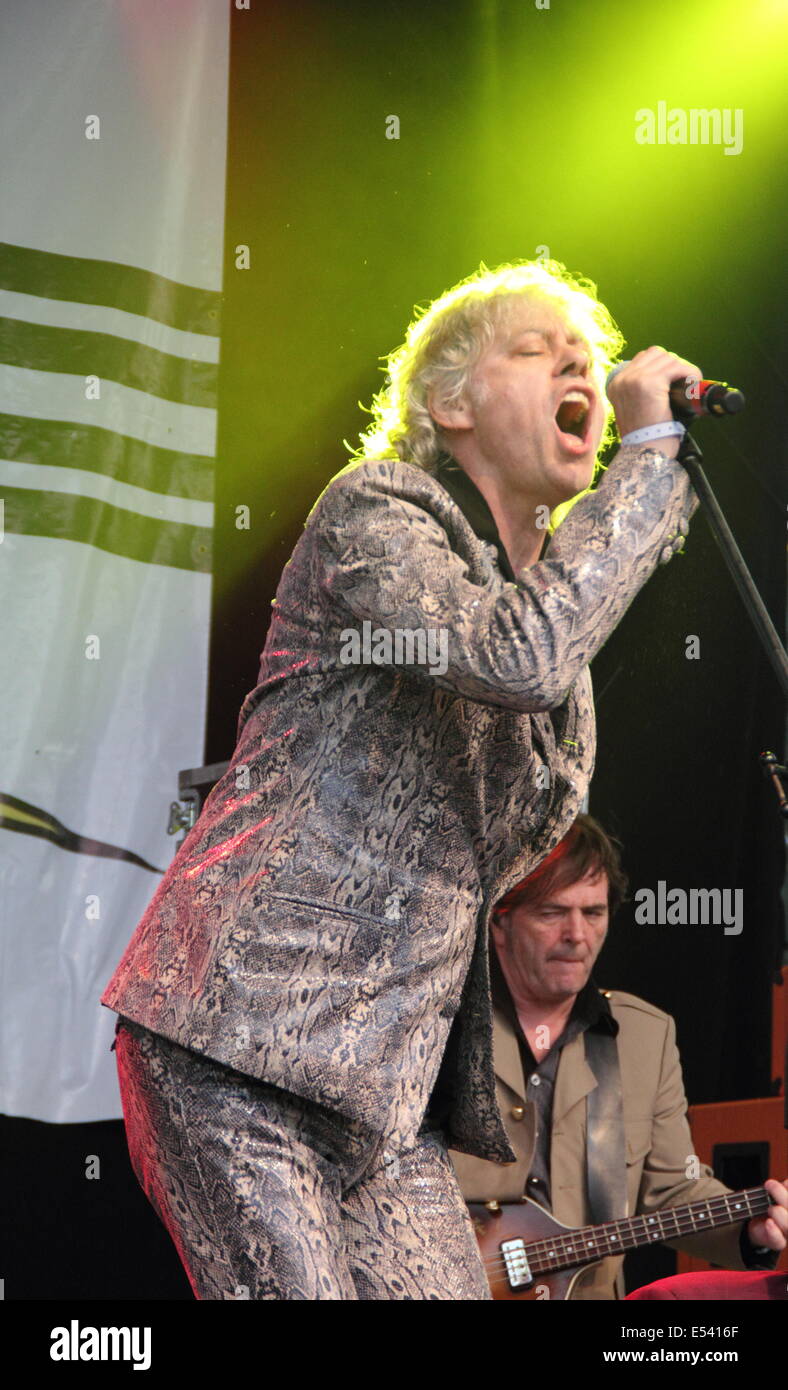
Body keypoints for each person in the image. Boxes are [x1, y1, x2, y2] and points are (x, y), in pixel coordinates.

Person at [101, 257, 703, 1300]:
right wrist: (648, 462)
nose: (580, 363)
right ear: (447, 402)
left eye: (589, 357)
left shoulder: (556, 628)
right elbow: (510, 656)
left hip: (385, 1104)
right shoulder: (376, 512)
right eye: (535, 347)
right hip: (240, 1047)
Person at [449, 814, 788, 1299]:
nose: (577, 935)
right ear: (499, 921)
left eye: (593, 913)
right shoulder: (443, 1029)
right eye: (552, 912)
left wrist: (748, 1231)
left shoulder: (644, 1036)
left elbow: (672, 1191)